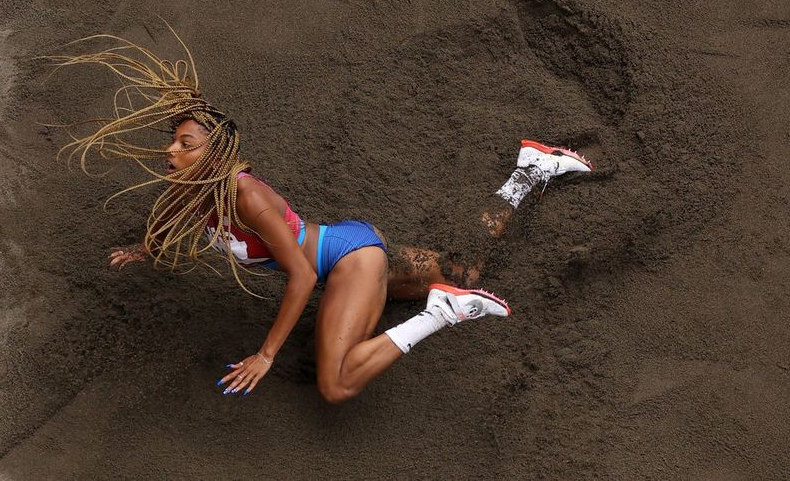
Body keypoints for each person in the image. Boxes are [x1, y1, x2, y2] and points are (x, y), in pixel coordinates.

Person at [55, 34, 592, 403]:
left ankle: (441, 314)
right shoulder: (189, 191)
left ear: (215, 154)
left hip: (346, 263)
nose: (171, 150)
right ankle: (531, 170)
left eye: (185, 143)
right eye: (172, 140)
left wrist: (267, 354)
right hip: (357, 245)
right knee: (467, 270)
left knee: (334, 386)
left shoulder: (249, 199)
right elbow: (174, 225)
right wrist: (144, 249)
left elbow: (304, 276)